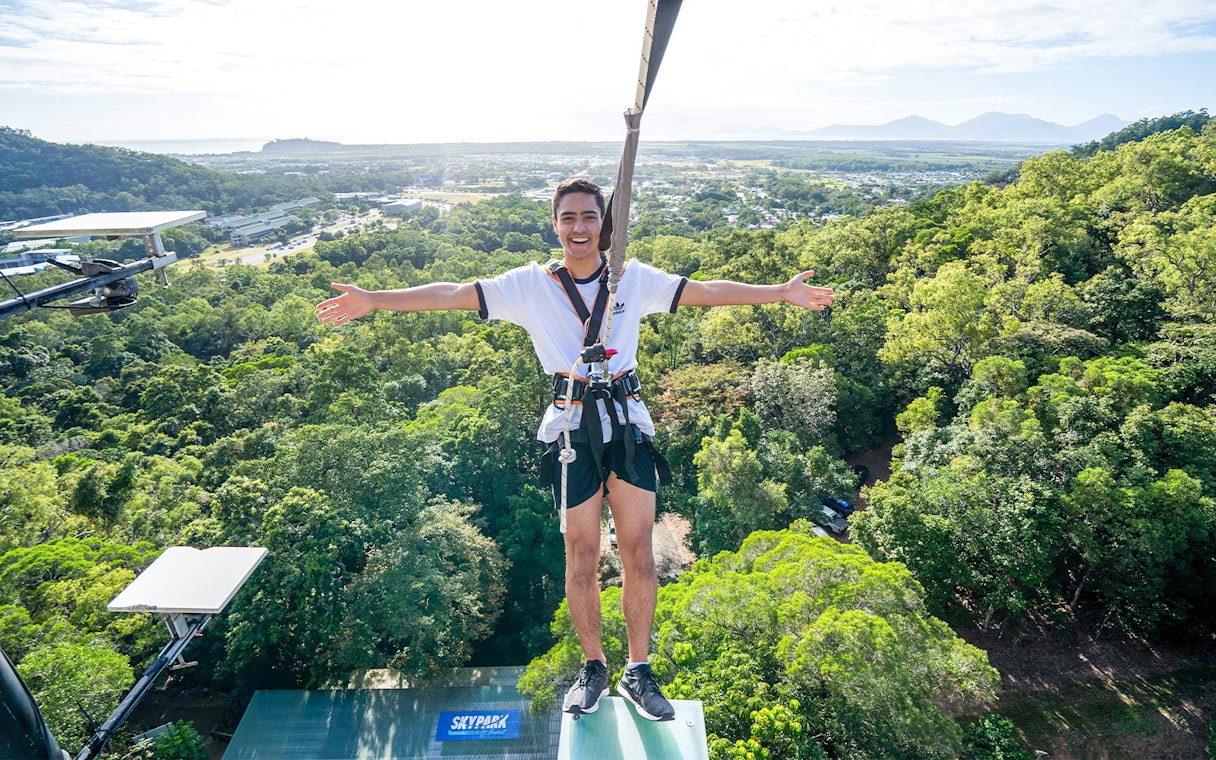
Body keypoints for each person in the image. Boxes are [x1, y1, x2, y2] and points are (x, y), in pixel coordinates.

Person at [316, 178, 835, 721]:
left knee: (638, 552)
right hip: (570, 426)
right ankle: (594, 668)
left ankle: (639, 671)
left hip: (626, 423)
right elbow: (450, 294)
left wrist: (780, 291)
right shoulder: (529, 287)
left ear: (604, 225)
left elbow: (705, 290)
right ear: (555, 224)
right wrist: (374, 301)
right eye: (569, 218)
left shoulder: (631, 278)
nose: (580, 228)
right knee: (582, 555)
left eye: (590, 217)